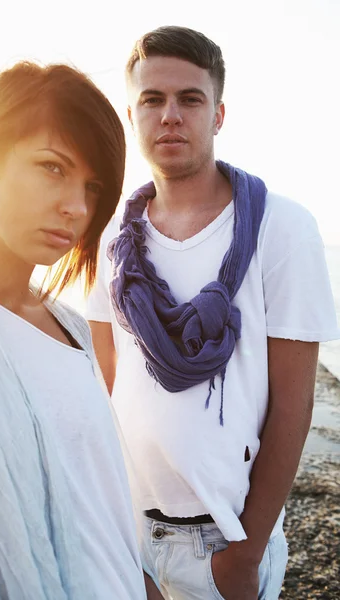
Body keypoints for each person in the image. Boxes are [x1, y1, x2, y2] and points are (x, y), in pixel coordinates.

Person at [86, 26, 340, 600]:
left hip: (224, 542)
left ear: (219, 114)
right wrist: (116, 538)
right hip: (129, 537)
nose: (170, 115)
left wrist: (245, 554)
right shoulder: (110, 242)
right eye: (152, 100)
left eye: (190, 99)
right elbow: (101, 390)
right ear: (133, 115)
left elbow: (294, 404)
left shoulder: (284, 227)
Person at [0, 60, 158, 600]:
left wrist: (148, 583)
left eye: (92, 187)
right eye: (52, 167)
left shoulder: (73, 332)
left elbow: (101, 495)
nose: (76, 207)